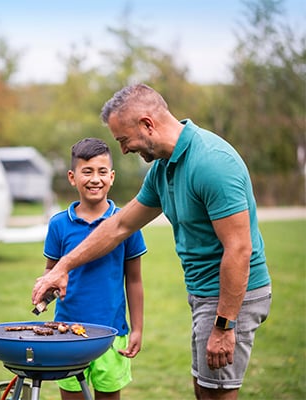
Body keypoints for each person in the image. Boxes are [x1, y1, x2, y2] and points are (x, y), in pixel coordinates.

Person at [32, 84, 272, 400]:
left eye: (123, 140)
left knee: (217, 393)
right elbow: (119, 225)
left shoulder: (212, 163)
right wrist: (63, 266)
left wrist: (225, 326)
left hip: (232, 294)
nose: (125, 150)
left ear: (147, 124)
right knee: (206, 389)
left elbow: (240, 248)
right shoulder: (163, 169)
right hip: (204, 292)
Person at [43, 137, 146, 400]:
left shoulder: (126, 223)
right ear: (72, 177)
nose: (95, 179)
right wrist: (44, 296)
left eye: (102, 172)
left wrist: (137, 328)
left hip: (112, 335)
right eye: (86, 171)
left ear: (112, 177)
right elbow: (51, 275)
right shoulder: (58, 225)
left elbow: (133, 281)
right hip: (68, 335)